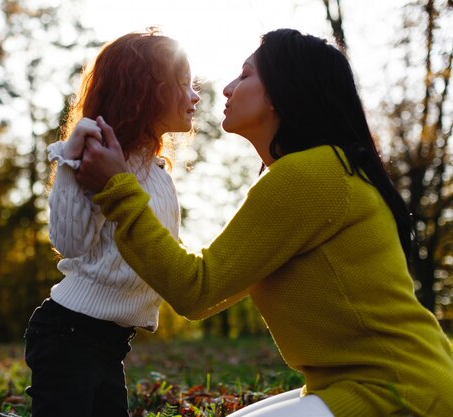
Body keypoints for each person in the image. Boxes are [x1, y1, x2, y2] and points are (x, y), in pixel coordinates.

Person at [73, 29, 453, 417]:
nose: (226, 89)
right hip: (374, 382)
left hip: (399, 391)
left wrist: (118, 191)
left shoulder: (310, 175)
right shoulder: (321, 170)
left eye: (245, 75)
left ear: (281, 92)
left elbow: (196, 290)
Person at [23, 28, 200, 417]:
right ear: (143, 93)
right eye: (183, 85)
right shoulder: (102, 161)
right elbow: (69, 241)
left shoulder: (159, 176)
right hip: (69, 335)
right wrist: (70, 165)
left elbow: (162, 253)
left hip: (112, 342)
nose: (195, 96)